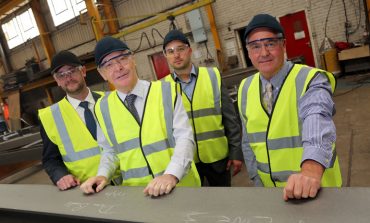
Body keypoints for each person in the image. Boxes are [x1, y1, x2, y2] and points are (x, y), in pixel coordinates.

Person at [238, 14, 342, 200]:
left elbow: (317, 116)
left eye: (270, 43)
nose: (263, 53)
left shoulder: (310, 79)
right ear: (248, 52)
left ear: (283, 45)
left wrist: (310, 170)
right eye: (255, 46)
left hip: (316, 192)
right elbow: (248, 141)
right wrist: (256, 180)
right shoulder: (245, 88)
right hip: (271, 195)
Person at [80, 36, 200, 197]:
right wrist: (103, 174)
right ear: (102, 74)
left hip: (180, 187)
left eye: (122, 59)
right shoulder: (101, 108)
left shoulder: (167, 91)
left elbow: (184, 137)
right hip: (138, 195)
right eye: (109, 65)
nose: (118, 68)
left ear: (133, 60)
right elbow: (109, 151)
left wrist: (171, 174)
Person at [162, 30, 243, 187]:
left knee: (224, 205)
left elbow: (230, 118)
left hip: (218, 159)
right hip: (186, 163)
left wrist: (235, 152)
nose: (176, 55)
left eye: (180, 49)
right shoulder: (162, 87)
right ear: (165, 56)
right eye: (170, 51)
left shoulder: (212, 76)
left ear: (189, 50)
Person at [39, 50, 107, 191]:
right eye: (61, 75)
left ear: (83, 71)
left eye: (71, 71)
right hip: (87, 188)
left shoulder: (110, 101)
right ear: (57, 81)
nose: (68, 78)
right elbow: (51, 159)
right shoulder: (50, 116)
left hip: (125, 182)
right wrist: (60, 176)